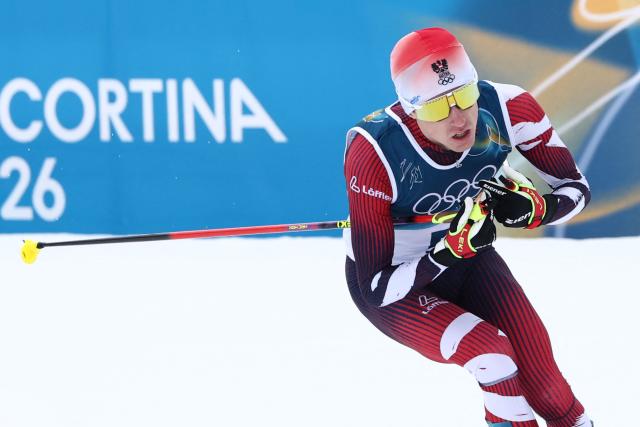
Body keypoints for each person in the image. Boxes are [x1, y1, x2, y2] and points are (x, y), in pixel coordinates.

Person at [343, 28, 592, 427]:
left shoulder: (511, 108)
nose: (459, 118)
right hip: (397, 283)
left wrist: (538, 209)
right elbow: (376, 288)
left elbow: (577, 189)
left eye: (463, 95)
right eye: (437, 107)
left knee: (548, 387)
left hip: (469, 258)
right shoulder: (375, 150)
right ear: (410, 108)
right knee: (491, 356)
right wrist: (446, 253)